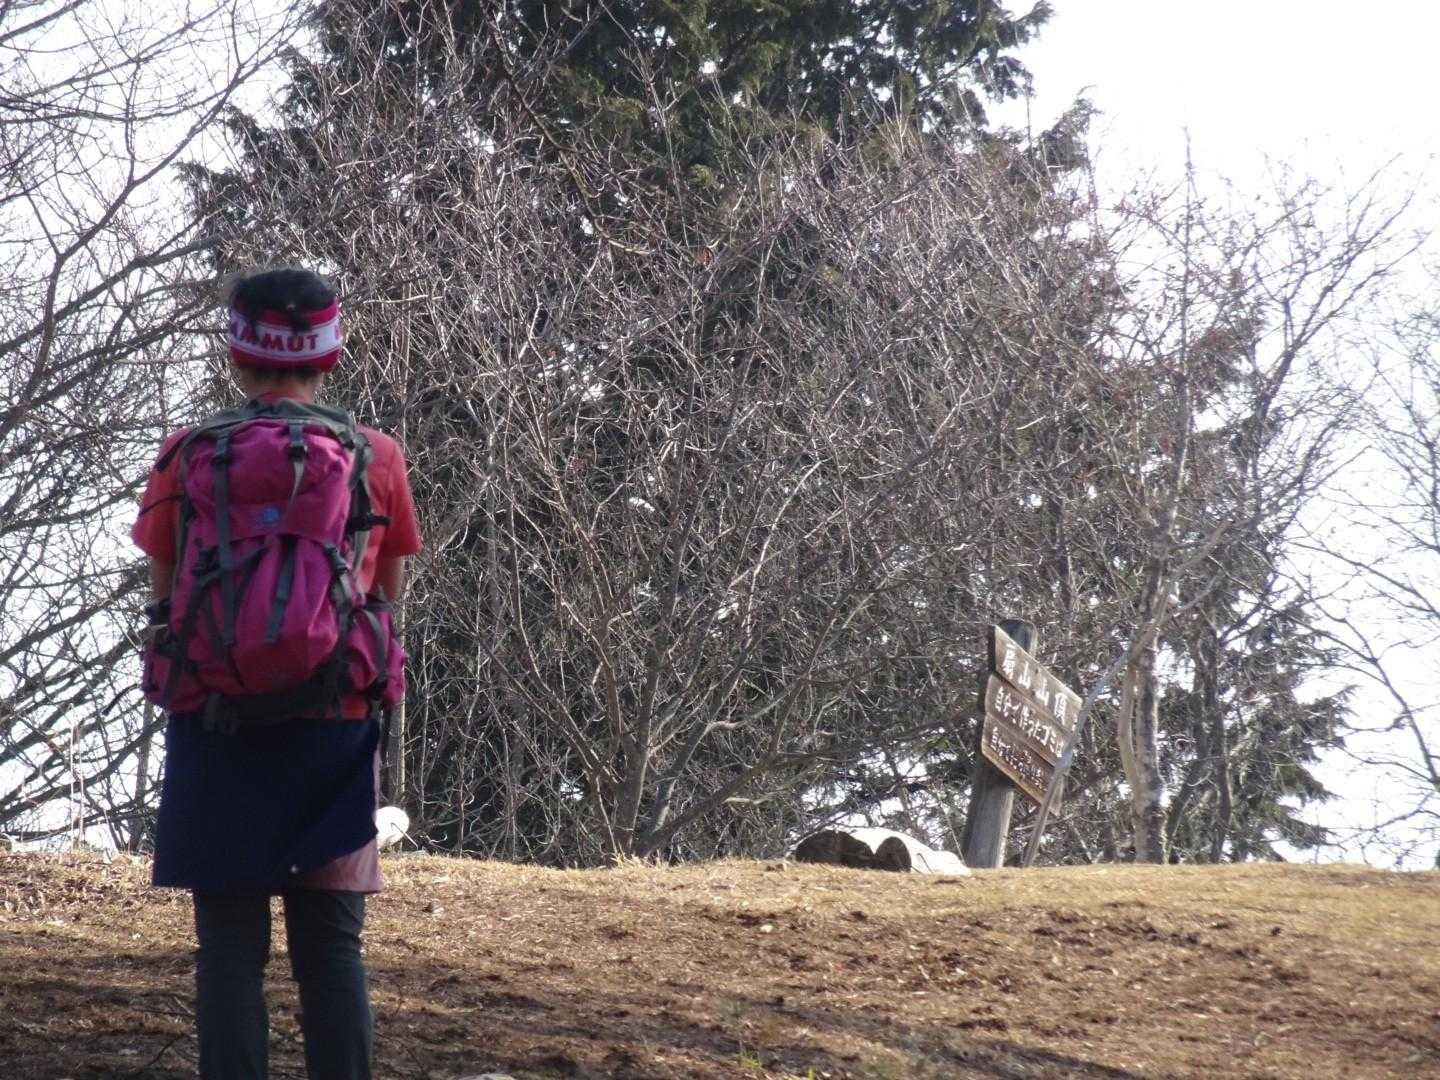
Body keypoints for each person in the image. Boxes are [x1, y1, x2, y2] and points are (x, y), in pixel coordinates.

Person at [132, 268, 422, 1079]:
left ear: (236, 355)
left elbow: (167, 590)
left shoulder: (187, 453)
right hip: (331, 724)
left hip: (215, 719)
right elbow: (387, 590)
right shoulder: (375, 455)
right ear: (329, 356)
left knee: (228, 949)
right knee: (331, 949)